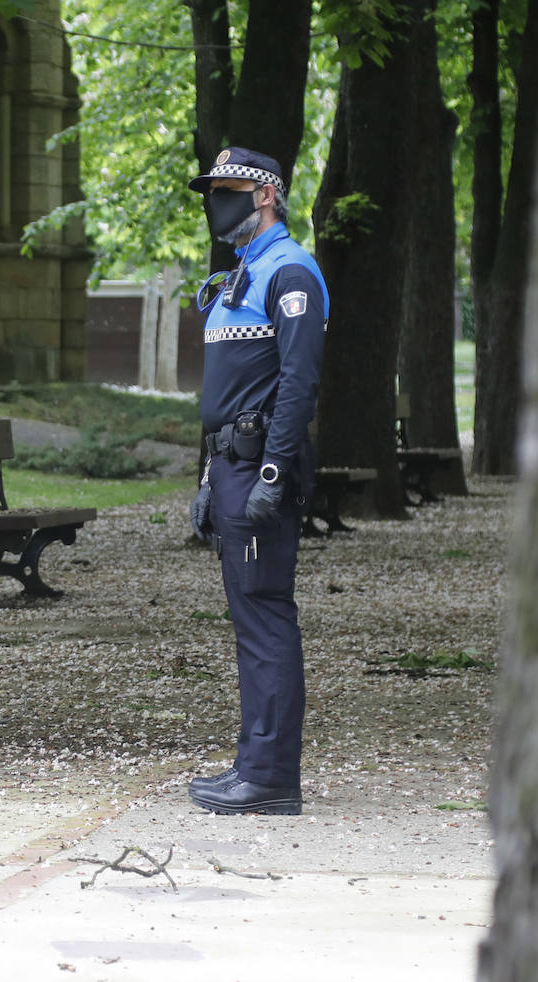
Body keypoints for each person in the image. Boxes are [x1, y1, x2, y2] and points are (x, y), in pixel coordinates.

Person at [185, 147, 329, 816]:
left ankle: (270, 776)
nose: (217, 201)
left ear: (264, 194)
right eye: (211, 191)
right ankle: (254, 763)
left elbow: (297, 383)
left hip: (259, 470)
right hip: (233, 469)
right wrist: (211, 476)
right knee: (252, 621)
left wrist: (271, 471)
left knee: (266, 618)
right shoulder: (240, 275)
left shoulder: (290, 270)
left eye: (228, 190)